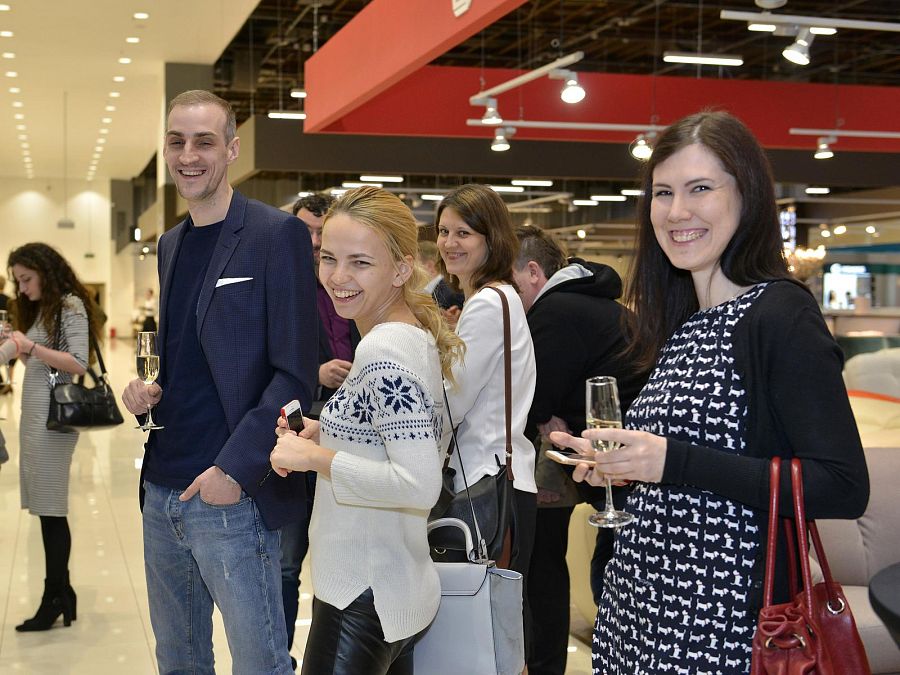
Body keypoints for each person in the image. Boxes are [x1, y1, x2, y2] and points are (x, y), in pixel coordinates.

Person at [550, 111, 869, 674]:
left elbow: (843, 486)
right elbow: (695, 473)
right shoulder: (683, 324)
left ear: (747, 196)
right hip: (639, 614)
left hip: (723, 629)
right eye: (663, 192)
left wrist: (671, 461)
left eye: (700, 188)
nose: (677, 211)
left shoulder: (779, 314)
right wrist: (625, 469)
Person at [120, 90, 318, 674]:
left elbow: (293, 373)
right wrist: (146, 393)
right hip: (162, 489)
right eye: (177, 141)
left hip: (231, 491)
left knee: (260, 663)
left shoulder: (275, 234)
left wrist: (234, 469)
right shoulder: (170, 243)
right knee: (178, 661)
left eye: (204, 142)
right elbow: (186, 354)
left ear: (231, 150)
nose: (188, 155)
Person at [270, 186, 464, 675]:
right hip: (392, 588)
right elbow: (396, 440)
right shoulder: (408, 335)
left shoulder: (383, 351)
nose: (338, 277)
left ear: (400, 269)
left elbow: (417, 485)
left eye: (360, 262)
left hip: (362, 596)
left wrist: (313, 458)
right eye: (329, 258)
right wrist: (327, 433)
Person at [511, 224, 647, 675]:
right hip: (626, 464)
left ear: (534, 273)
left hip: (623, 468)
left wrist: (542, 415)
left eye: (507, 281)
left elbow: (530, 401)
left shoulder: (554, 311)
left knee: (586, 573)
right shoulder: (590, 301)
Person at [435, 183, 538, 649]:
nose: (449, 243)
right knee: (498, 627)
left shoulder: (486, 303)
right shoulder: (501, 298)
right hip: (499, 480)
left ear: (491, 238)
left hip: (486, 484)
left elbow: (450, 402)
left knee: (487, 633)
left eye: (464, 233)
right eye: (443, 231)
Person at [278, 192, 360, 670]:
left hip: (350, 441)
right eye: (306, 230)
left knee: (341, 560)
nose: (313, 241)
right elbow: (264, 363)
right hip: (297, 432)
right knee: (287, 563)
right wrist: (316, 372)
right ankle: (280, 658)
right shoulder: (283, 286)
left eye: (320, 232)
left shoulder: (355, 287)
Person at [4, 242, 104, 631]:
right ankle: (63, 591)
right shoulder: (48, 309)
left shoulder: (70, 306)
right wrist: (24, 347)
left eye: (26, 279)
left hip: (54, 422)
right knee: (45, 509)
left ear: (45, 272)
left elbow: (77, 363)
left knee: (51, 510)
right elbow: (44, 363)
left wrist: (28, 345)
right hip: (37, 419)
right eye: (18, 281)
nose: (22, 287)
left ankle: (54, 597)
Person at [418, 239, 464, 323]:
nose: (411, 269)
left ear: (429, 266)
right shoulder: (430, 291)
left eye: (415, 264)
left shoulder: (450, 293)